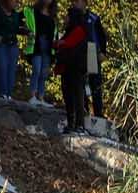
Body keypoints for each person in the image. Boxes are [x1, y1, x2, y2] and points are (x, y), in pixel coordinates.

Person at [53, 2, 89, 133]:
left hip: (76, 69)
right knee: (68, 97)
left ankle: (79, 124)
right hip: (67, 69)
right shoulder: (70, 31)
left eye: (67, 16)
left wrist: (59, 44)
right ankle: (71, 123)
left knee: (77, 96)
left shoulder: (79, 30)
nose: (65, 18)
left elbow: (67, 43)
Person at [0, 0, 26, 98]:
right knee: (2, 67)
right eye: (14, 0)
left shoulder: (16, 15)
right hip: (1, 45)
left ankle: (9, 94)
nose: (16, 3)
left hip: (13, 45)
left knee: (11, 70)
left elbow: (17, 28)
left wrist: (26, 31)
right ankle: (3, 93)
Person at [76, 0, 105, 120]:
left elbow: (102, 36)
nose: (75, 4)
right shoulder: (73, 17)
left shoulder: (93, 17)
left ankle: (98, 112)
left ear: (84, 3)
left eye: (77, 1)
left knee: (95, 82)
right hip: (78, 52)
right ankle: (83, 109)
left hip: (92, 50)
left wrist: (103, 52)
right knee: (80, 81)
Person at [27, 0, 57, 106]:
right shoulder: (33, 12)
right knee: (36, 69)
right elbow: (27, 22)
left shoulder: (52, 15)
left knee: (44, 74)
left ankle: (41, 97)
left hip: (48, 48)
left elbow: (54, 33)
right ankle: (32, 96)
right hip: (36, 46)